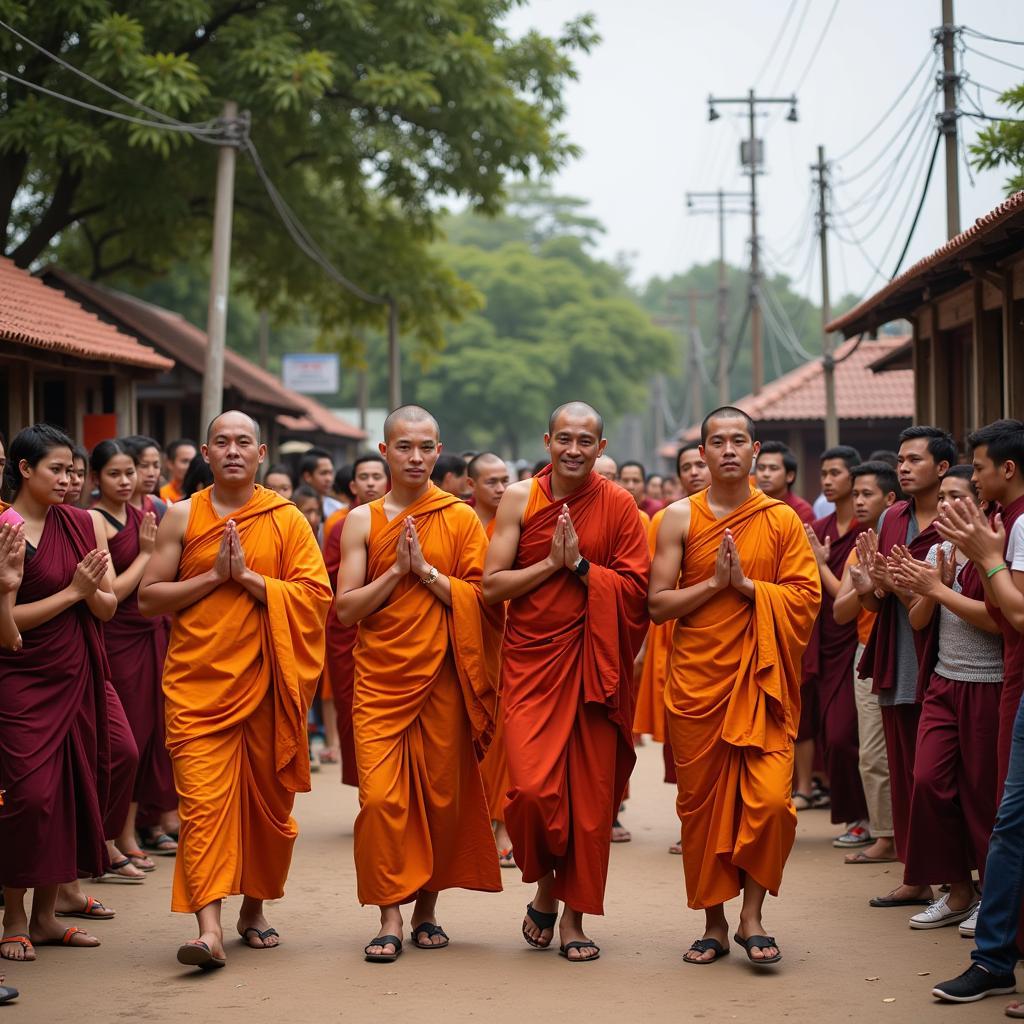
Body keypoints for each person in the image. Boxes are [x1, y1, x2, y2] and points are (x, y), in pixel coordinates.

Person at [138, 410, 331, 970]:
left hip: (269, 687)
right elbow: (150, 598)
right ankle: (209, 929)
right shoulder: (181, 515)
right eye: (220, 442)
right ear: (205, 452)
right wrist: (213, 578)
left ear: (261, 454)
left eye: (243, 442)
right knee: (202, 809)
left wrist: (248, 579)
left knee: (266, 808)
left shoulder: (287, 520)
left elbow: (316, 598)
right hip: (199, 687)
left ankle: (253, 909)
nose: (232, 451)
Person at [649, 407, 820, 966]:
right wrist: (713, 586)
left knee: (771, 803)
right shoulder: (676, 517)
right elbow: (657, 605)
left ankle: (753, 913)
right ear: (701, 454)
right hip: (699, 685)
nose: (727, 449)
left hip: (760, 684)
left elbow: (805, 598)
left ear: (755, 450)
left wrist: (747, 587)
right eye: (716, 441)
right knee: (702, 812)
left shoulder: (781, 521)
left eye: (738, 440)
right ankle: (716, 922)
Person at [483, 402, 649, 963]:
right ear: (547, 440)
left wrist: (581, 568)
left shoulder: (620, 505)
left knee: (589, 802)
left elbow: (638, 593)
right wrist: (553, 566)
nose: (574, 450)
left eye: (586, 441)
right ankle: (549, 883)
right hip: (532, 663)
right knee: (530, 793)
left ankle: (570, 913)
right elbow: (492, 586)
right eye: (564, 439)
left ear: (601, 449)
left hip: (595, 669)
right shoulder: (517, 498)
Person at [338, 406, 503, 963]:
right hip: (381, 681)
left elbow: (483, 601)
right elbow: (344, 609)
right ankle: (389, 914)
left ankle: (427, 910)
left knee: (439, 799)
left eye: (426, 447)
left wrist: (428, 574)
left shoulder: (459, 519)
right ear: (384, 452)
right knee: (382, 800)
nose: (415, 457)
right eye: (404, 446)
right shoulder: (362, 521)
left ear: (439, 452)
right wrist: (395, 573)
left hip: (443, 680)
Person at [0, 425, 118, 960]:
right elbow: (6, 623)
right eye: (57, 469)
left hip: (74, 670)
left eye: (74, 470)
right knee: (30, 798)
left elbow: (108, 606)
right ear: (24, 469)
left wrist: (89, 592)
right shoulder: (4, 528)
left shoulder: (81, 523)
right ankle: (15, 916)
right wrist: (73, 591)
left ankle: (47, 916)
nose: (70, 480)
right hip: (21, 675)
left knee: (70, 792)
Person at [889, 466, 1000, 932]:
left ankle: (991, 899)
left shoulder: (993, 550)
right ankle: (958, 891)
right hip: (943, 679)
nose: (948, 509)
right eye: (944, 501)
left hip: (988, 681)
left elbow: (999, 620)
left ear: (978, 504)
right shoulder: (937, 551)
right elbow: (917, 621)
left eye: (960, 498)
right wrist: (932, 587)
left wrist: (939, 589)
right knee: (928, 780)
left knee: (981, 794)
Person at [854, 425, 954, 909]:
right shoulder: (893, 516)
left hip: (945, 657)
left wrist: (893, 585)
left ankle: (957, 880)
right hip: (898, 657)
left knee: (932, 777)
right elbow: (876, 603)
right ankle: (915, 877)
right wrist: (871, 583)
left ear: (941, 468)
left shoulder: (956, 521)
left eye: (914, 460)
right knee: (903, 772)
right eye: (900, 460)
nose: (904, 468)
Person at [89, 440, 178, 876]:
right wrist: (145, 553)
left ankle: (127, 832)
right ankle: (109, 836)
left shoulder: (149, 514)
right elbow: (114, 593)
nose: (126, 481)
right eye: (116, 474)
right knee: (124, 741)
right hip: (116, 636)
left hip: (152, 632)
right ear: (95, 479)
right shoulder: (96, 521)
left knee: (151, 736)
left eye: (132, 472)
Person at [634, 443, 710, 855]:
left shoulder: (764, 516)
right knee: (683, 744)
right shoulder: (668, 519)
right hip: (680, 636)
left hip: (745, 642)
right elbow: (652, 589)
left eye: (700, 465)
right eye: (687, 467)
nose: (695, 472)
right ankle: (693, 825)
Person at [798, 445, 870, 851]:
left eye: (836, 472)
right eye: (823, 472)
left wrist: (821, 563)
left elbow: (847, 594)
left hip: (855, 639)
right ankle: (858, 816)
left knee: (845, 736)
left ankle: (865, 817)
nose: (827, 479)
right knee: (831, 732)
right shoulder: (821, 526)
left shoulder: (866, 532)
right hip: (822, 640)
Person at [832, 461, 899, 865]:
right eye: (855, 493)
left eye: (867, 494)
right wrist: (865, 586)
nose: (857, 500)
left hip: (910, 653)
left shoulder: (911, 540)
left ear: (890, 499)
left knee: (907, 754)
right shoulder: (859, 548)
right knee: (872, 753)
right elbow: (840, 611)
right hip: (866, 651)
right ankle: (886, 836)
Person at [322, 454, 390, 786]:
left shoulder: (406, 519)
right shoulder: (341, 525)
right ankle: (366, 785)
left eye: (377, 476)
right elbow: (332, 579)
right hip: (347, 628)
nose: (371, 483)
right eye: (364, 477)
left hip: (395, 625)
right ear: (353, 485)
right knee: (353, 710)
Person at [467, 453, 514, 866]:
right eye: (492, 481)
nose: (501, 488)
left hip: (510, 640)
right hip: (463, 641)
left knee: (502, 736)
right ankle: (476, 822)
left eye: (505, 480)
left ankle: (500, 824)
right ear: (471, 485)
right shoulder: (460, 525)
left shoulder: (518, 523)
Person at [754, 440, 815, 525]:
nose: (765, 474)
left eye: (773, 468)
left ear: (790, 476)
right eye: (761, 468)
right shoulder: (750, 505)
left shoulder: (802, 511)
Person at [299, 448, 342, 519]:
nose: (329, 479)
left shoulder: (337, 509)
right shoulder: (293, 508)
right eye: (323, 473)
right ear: (307, 476)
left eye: (331, 473)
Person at [160, 439, 197, 504]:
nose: (191, 466)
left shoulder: (203, 495)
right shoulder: (161, 496)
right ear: (170, 463)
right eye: (185, 461)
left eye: (194, 461)